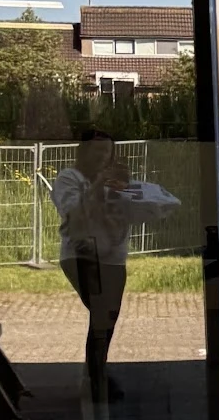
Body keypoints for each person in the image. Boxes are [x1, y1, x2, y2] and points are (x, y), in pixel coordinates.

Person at [50, 129, 179, 398]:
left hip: (114, 258)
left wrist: (135, 194)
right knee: (102, 316)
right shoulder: (68, 178)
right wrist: (99, 185)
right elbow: (73, 213)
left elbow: (130, 212)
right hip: (82, 255)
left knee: (105, 320)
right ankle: (97, 382)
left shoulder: (117, 181)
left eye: (106, 151)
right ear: (82, 152)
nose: (102, 156)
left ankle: (96, 377)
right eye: (96, 151)